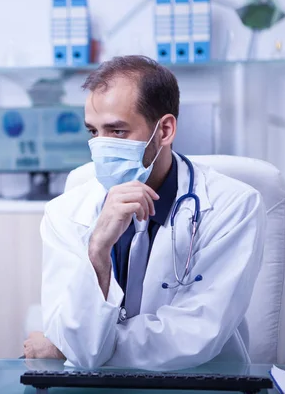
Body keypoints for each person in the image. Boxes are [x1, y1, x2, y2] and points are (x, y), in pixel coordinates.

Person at [22, 55, 266, 371]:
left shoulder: (234, 206)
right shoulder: (66, 212)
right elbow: (76, 342)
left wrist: (70, 348)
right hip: (91, 388)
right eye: (94, 131)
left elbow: (195, 338)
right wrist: (97, 249)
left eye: (117, 131)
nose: (101, 146)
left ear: (164, 130)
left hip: (198, 383)